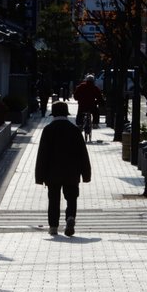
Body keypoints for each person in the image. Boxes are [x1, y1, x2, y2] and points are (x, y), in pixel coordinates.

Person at [35, 101, 92, 236]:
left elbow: (42, 154)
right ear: (66, 113)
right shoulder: (75, 130)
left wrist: (39, 176)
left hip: (52, 172)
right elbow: (83, 153)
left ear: (53, 114)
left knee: (53, 198)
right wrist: (86, 174)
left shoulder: (48, 130)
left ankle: (53, 226)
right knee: (72, 197)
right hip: (72, 172)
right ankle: (70, 217)